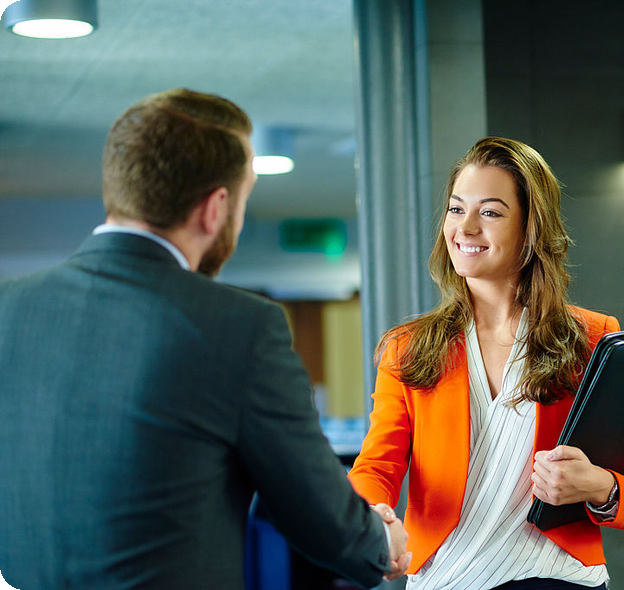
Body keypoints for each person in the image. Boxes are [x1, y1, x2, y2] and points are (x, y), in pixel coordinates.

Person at [0, 88, 409, 590]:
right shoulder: (238, 326)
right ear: (215, 208)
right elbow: (316, 510)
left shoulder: (8, 307)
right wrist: (381, 542)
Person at [348, 136, 624, 590]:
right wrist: (373, 520)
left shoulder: (592, 339)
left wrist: (599, 486)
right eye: (457, 209)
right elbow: (377, 467)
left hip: (558, 579)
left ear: (530, 229)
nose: (465, 228)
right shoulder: (408, 347)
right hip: (445, 579)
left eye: (491, 212)